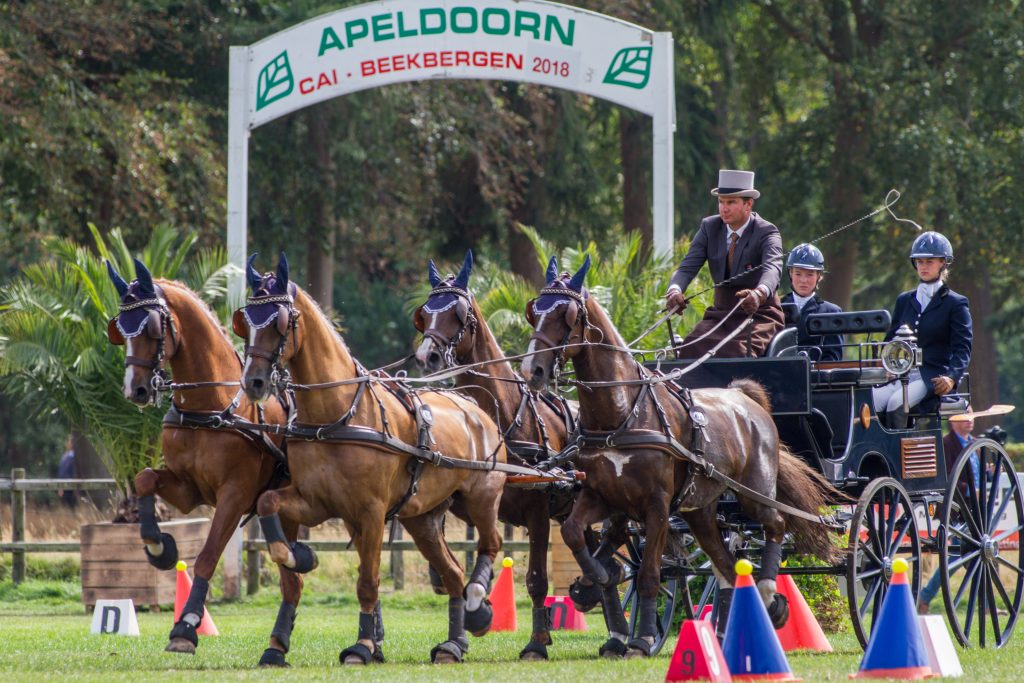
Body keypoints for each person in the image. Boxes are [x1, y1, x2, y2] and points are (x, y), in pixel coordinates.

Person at [665, 169, 785, 357]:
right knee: (689, 349)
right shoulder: (709, 227)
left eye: (731, 202)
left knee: (736, 353)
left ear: (748, 204)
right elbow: (687, 267)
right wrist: (674, 290)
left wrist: (759, 293)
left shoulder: (767, 232)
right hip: (720, 314)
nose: (724, 208)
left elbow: (773, 268)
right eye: (721, 202)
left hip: (759, 314)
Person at [872, 231, 972, 428]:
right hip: (901, 374)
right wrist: (884, 363)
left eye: (929, 261)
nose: (923, 267)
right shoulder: (904, 300)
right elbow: (890, 338)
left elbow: (962, 348)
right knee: (870, 400)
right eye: (919, 262)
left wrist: (951, 377)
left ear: (943, 263)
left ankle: (897, 456)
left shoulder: (956, 303)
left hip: (932, 376)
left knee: (896, 402)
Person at [918, 413, 976, 614]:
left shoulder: (976, 444)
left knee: (975, 556)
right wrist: (969, 490)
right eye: (964, 416)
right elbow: (946, 477)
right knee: (959, 557)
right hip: (956, 507)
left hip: (976, 510)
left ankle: (984, 605)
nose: (970, 419)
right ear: (952, 421)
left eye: (972, 415)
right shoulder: (946, 444)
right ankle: (925, 596)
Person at [780, 243, 844, 361]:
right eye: (798, 274)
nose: (803, 280)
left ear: (818, 276)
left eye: (810, 274)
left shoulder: (831, 311)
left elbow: (833, 356)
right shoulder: (777, 307)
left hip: (816, 376)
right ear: (790, 274)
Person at [56, 435, 77, 508]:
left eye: (69, 442)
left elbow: (66, 471)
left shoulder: (73, 456)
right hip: (64, 484)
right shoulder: (66, 455)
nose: (67, 444)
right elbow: (61, 471)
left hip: (70, 485)